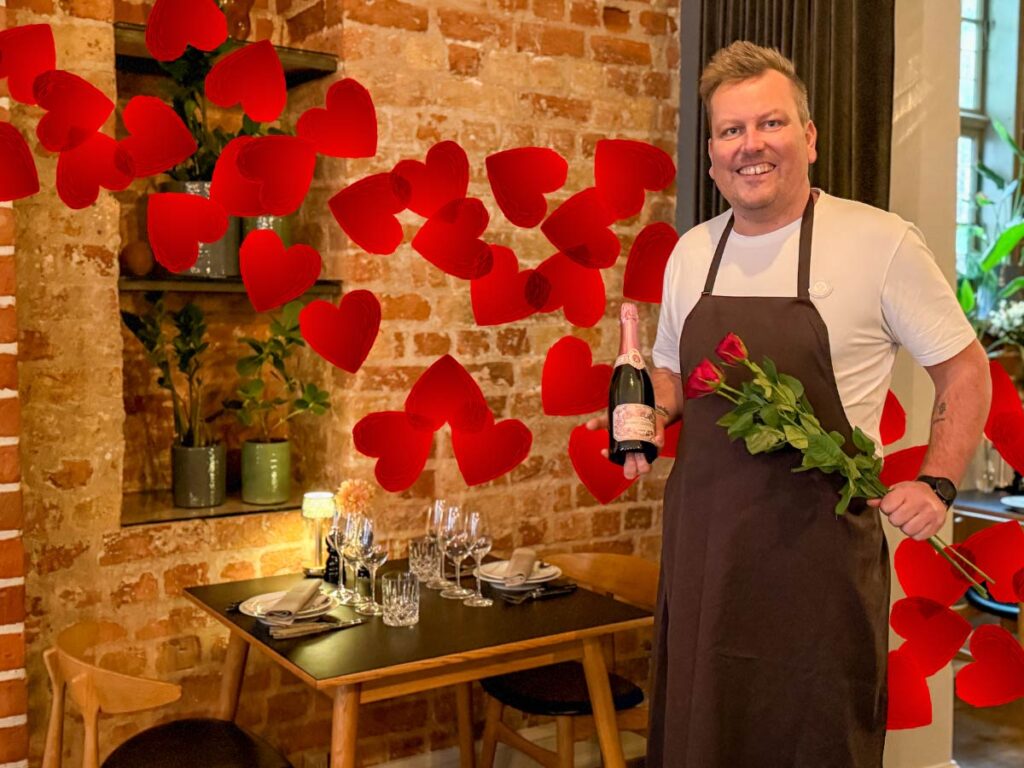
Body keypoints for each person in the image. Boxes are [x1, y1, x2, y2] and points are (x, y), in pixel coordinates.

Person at [588, 41, 991, 767]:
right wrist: (646, 413)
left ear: (808, 136)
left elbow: (965, 369)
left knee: (815, 735)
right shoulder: (692, 253)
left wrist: (938, 481)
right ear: (712, 155)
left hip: (819, 563)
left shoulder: (880, 242)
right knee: (702, 736)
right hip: (707, 550)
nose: (751, 146)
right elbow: (680, 378)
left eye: (770, 124)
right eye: (731, 131)